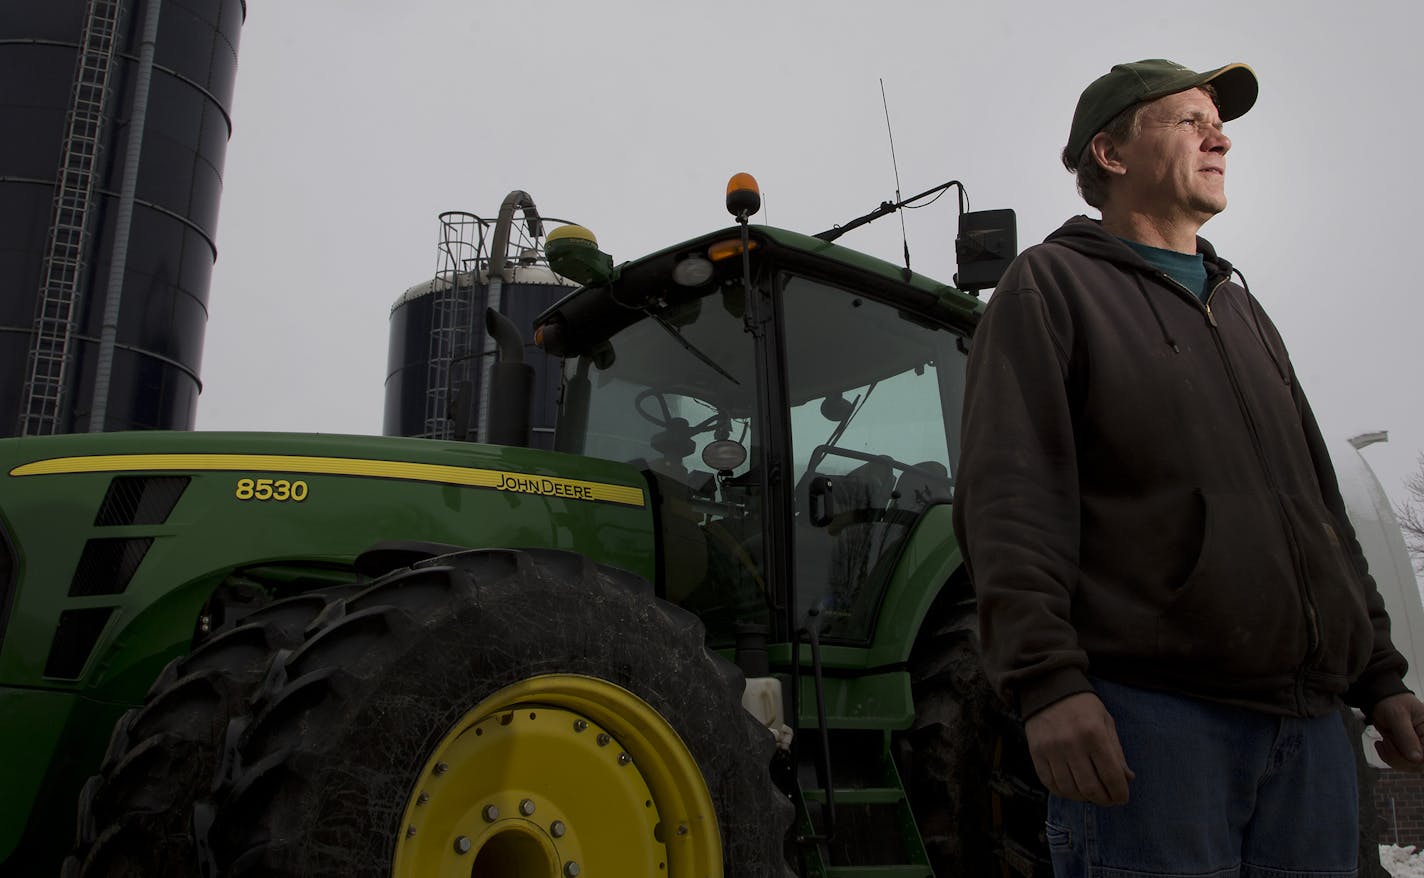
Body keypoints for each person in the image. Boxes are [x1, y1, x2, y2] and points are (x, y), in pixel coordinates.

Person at [951, 58, 1424, 876]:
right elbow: (1011, 498)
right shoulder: (1051, 287)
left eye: (1220, 120)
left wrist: (1381, 675)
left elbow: (1317, 510)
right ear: (1111, 153)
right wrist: (1049, 685)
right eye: (1190, 120)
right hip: (1155, 726)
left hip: (1310, 734)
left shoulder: (1244, 312)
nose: (1221, 135)